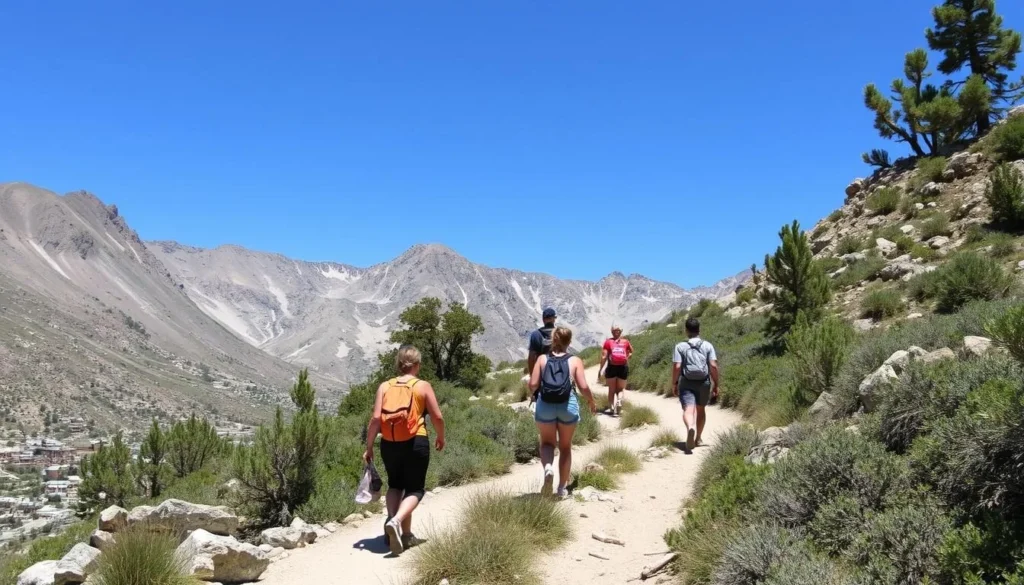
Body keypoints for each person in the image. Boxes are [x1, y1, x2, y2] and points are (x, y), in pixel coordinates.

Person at [363, 344, 446, 555]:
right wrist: (440, 437)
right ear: (417, 365)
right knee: (415, 489)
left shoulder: (385, 386)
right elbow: (437, 417)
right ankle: (397, 521)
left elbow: (375, 419)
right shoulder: (422, 386)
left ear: (399, 364)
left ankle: (402, 531)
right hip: (415, 441)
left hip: (389, 444)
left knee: (395, 485)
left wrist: (369, 446)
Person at [529, 326, 597, 498]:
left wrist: (533, 395)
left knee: (547, 444)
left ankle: (548, 468)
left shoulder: (542, 359)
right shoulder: (575, 361)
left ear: (553, 340)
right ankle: (561, 489)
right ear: (569, 342)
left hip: (545, 405)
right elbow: (583, 386)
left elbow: (533, 384)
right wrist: (591, 401)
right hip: (568, 405)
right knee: (565, 447)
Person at [671, 317, 719, 452]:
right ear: (699, 330)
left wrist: (674, 383)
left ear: (686, 330)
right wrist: (716, 384)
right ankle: (698, 437)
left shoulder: (680, 346)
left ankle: (690, 427)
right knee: (701, 409)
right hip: (704, 382)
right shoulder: (708, 345)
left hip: (686, 382)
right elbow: (713, 366)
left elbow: (677, 366)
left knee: (688, 409)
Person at [525, 307, 558, 407]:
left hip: (542, 373)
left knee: (540, 400)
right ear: (554, 319)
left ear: (543, 319)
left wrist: (532, 375)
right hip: (559, 371)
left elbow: (531, 358)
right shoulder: (560, 333)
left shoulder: (536, 335)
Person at [599, 325, 633, 416]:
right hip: (623, 367)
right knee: (621, 389)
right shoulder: (626, 341)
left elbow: (604, 357)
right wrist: (626, 358)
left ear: (612, 332)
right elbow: (631, 352)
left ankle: (611, 408)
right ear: (621, 332)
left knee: (611, 389)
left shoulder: (608, 342)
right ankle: (619, 402)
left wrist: (600, 369)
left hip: (611, 367)